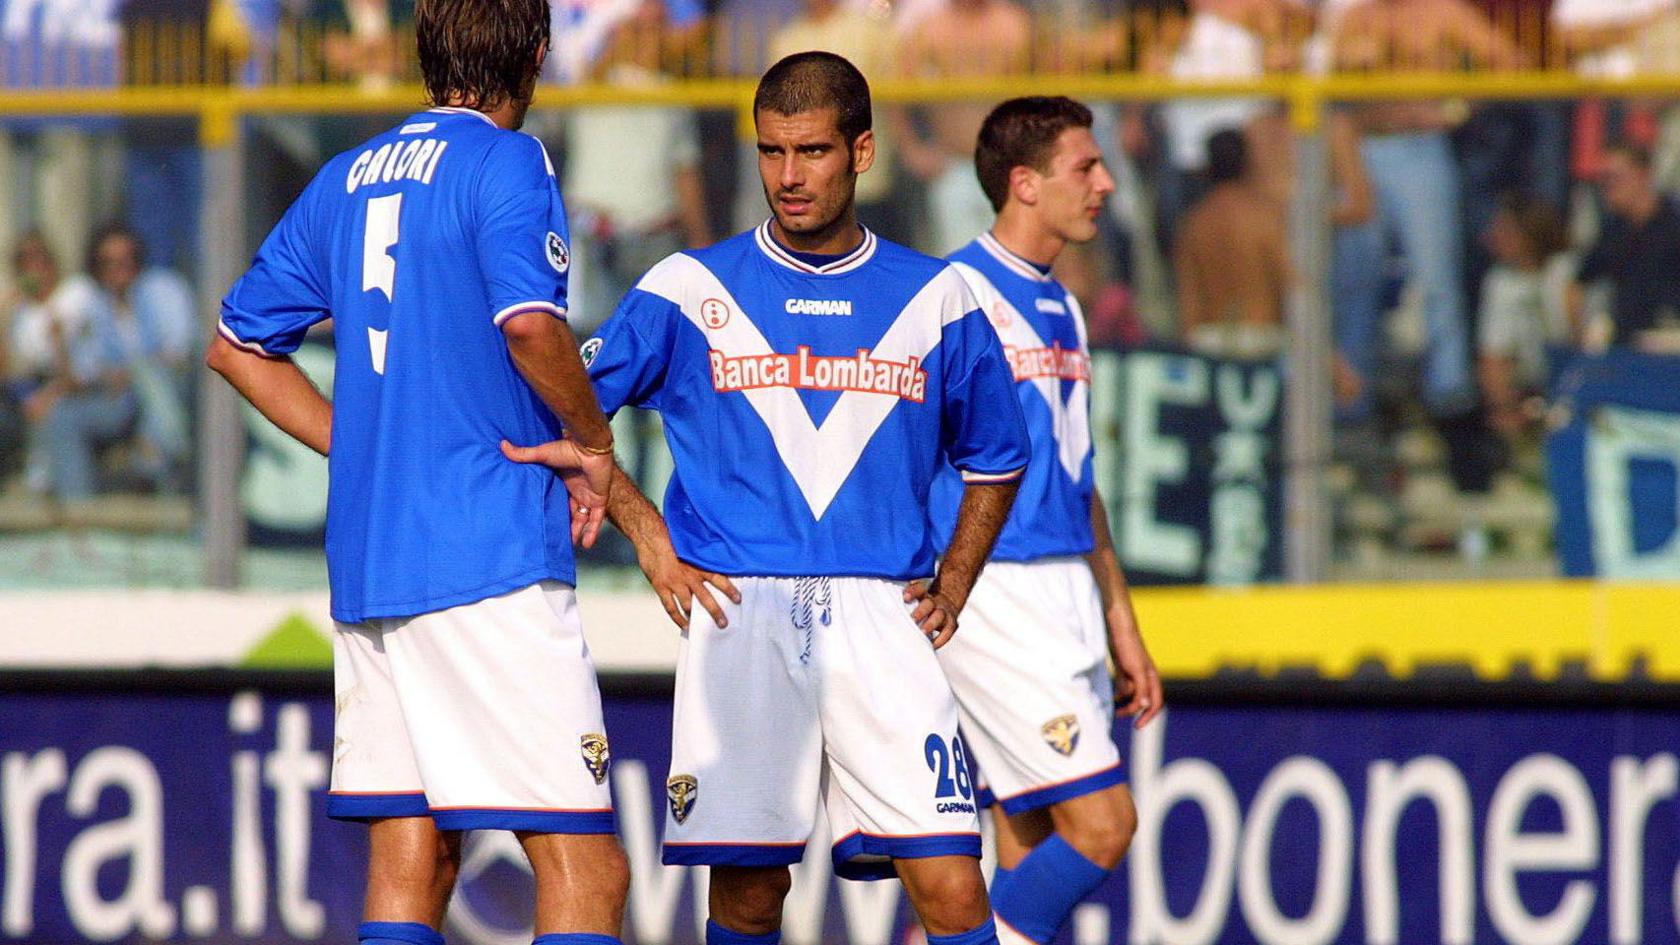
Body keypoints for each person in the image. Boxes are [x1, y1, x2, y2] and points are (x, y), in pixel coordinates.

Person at [508, 51, 1031, 945]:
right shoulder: (687, 286)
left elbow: (999, 455)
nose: (789, 176)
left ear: (862, 151)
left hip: (885, 617)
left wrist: (956, 580)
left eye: (813, 151)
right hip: (739, 611)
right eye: (771, 151)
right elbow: (564, 407)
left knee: (951, 884)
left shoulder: (938, 298)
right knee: (750, 893)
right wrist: (649, 534)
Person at [204, 4, 631, 945]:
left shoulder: (348, 174)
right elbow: (531, 326)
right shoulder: (508, 161)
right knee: (586, 865)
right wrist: (594, 441)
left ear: (425, 52)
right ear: (537, 53)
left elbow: (236, 346)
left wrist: (363, 445)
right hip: (485, 554)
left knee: (415, 856)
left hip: (372, 563)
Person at [928, 97, 1161, 945]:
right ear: (1024, 183)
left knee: (1025, 845)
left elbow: (1080, 477)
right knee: (1104, 822)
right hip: (995, 591)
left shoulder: (1064, 305)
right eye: (1085, 167)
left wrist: (1121, 619)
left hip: (1067, 591)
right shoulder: (952, 296)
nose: (1105, 183)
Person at [895, 0, 1032, 255]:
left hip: (1008, 167)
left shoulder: (1011, 23)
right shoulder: (932, 29)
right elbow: (897, 93)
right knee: (958, 268)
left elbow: (1041, 95)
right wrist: (912, 149)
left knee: (1015, 264)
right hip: (952, 167)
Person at [1570, 142, 1680, 349]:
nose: (1607, 187)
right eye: (1603, 180)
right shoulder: (1614, 231)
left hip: (1670, 341)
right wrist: (1581, 337)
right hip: (1625, 343)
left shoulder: (1673, 224)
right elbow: (1576, 285)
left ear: (1643, 174)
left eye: (1614, 177)